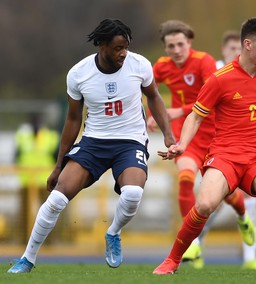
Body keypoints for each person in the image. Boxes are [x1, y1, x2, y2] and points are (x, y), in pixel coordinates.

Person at [7, 18, 175, 273]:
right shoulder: (79, 74)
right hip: (94, 143)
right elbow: (73, 119)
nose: (123, 53)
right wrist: (58, 165)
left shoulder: (139, 64)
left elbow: (153, 97)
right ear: (102, 46)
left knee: (132, 193)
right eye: (118, 48)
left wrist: (168, 135)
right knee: (56, 200)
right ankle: (27, 259)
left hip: (130, 142)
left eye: (126, 47)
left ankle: (113, 232)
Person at [153, 17, 256, 275]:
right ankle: (172, 260)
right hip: (225, 158)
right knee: (205, 205)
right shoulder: (220, 79)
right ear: (248, 44)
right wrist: (181, 145)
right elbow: (195, 116)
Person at [147, 19, 255, 268]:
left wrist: (175, 111)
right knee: (185, 177)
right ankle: (193, 242)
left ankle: (243, 216)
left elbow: (212, 98)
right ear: (165, 48)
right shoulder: (162, 67)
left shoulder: (204, 62)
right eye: (170, 46)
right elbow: (146, 89)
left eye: (180, 44)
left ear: (189, 43)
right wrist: (153, 115)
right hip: (185, 137)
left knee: (226, 195)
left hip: (214, 136)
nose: (176, 50)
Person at [215, 29, 256, 270]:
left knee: (251, 204)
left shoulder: (254, 76)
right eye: (232, 49)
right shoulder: (213, 73)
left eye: (239, 49)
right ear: (223, 51)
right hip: (212, 149)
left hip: (244, 151)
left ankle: (250, 257)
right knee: (208, 204)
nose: (236, 53)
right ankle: (195, 249)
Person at [15, 113, 59, 242]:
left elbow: (56, 158)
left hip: (45, 181)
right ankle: (24, 240)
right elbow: (17, 155)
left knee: (48, 212)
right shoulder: (22, 137)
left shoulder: (50, 137)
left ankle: (48, 241)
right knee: (24, 213)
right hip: (26, 180)